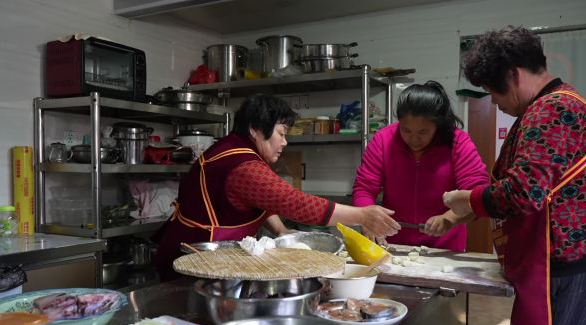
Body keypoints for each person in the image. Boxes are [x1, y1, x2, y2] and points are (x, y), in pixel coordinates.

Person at [443, 26, 586, 325]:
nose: (493, 101)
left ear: (514, 75)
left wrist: (468, 199)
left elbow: (525, 192)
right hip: (574, 269)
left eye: (493, 90)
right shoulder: (564, 103)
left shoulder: (550, 110)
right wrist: (472, 207)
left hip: (568, 274)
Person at [153, 94, 401, 280]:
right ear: (256, 130)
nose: (285, 142)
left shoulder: (237, 149)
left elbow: (262, 199)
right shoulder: (243, 164)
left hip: (212, 258)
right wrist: (361, 215)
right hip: (191, 263)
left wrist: (282, 232)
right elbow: (294, 203)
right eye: (281, 133)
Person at [351, 81, 488, 251]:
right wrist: (366, 217)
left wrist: (450, 218)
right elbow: (364, 188)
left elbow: (477, 195)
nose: (414, 139)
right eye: (406, 130)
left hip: (444, 248)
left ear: (437, 125)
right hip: (392, 245)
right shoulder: (383, 139)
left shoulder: (458, 142)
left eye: (423, 132)